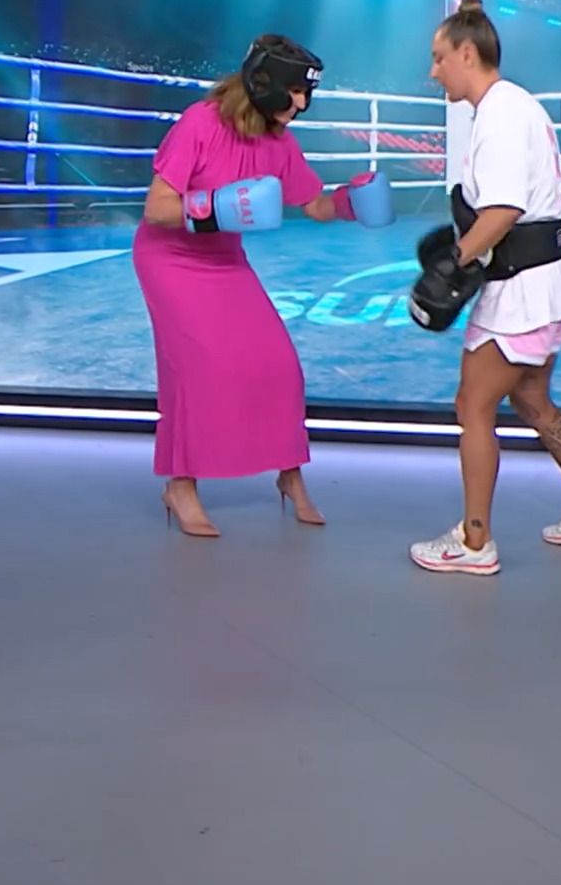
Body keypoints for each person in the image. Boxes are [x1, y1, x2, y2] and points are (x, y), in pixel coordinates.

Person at [133, 34, 393, 536]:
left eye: (306, 93)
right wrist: (216, 207)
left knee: (279, 365)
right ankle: (180, 485)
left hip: (224, 260)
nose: (301, 104)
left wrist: (350, 201)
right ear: (265, 83)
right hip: (169, 259)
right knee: (196, 370)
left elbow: (314, 205)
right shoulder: (200, 123)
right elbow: (157, 209)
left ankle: (289, 477)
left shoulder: (280, 143)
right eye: (294, 91)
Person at [409, 0, 561, 575]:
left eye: (439, 58)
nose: (433, 71)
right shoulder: (514, 104)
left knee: (472, 404)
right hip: (544, 286)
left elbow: (503, 210)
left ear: (467, 53)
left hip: (522, 293)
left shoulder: (500, 113)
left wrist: (452, 264)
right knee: (530, 398)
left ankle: (475, 542)